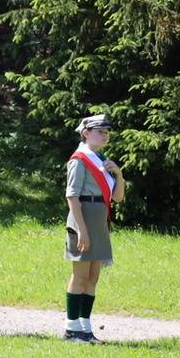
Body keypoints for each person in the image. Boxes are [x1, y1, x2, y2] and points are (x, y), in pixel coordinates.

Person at [64, 113, 126, 342]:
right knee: (80, 275)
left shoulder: (102, 161)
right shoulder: (80, 160)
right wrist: (81, 230)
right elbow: (72, 196)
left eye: (107, 132)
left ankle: (85, 328)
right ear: (86, 133)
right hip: (83, 219)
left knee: (93, 277)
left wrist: (119, 174)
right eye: (100, 131)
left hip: (99, 221)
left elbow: (117, 197)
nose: (105, 135)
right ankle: (71, 329)